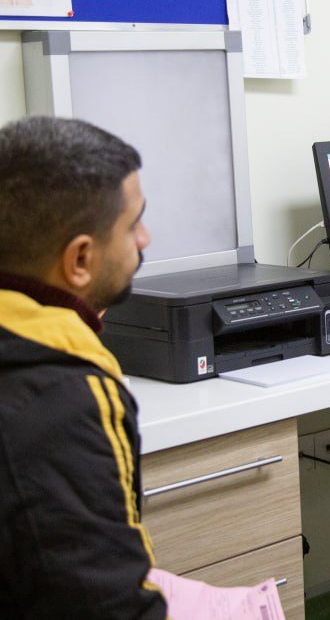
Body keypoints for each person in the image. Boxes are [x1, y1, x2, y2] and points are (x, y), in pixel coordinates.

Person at [0, 116, 164, 618]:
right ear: (79, 260)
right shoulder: (67, 402)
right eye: (132, 224)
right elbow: (107, 605)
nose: (145, 238)